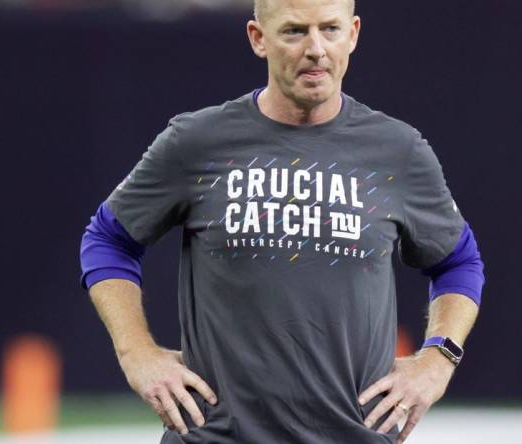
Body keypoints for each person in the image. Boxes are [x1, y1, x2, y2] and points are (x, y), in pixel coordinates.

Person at [79, 0, 485, 442]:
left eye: (330, 29)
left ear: (353, 34)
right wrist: (137, 353)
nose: (316, 49)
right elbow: (108, 239)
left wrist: (438, 358)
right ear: (258, 38)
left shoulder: (399, 152)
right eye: (294, 31)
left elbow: (458, 261)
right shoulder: (196, 142)